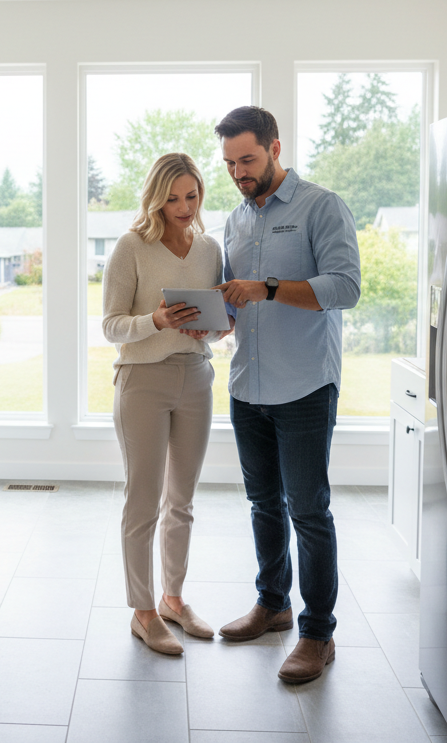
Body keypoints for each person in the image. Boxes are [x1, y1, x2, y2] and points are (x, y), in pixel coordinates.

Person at [212, 105, 361, 683]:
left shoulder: (321, 207)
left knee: (308, 512)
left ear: (275, 148)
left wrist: (269, 287)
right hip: (246, 386)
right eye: (230, 164)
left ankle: (317, 633)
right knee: (263, 505)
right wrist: (213, 317)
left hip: (304, 388)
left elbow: (344, 288)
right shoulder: (234, 220)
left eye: (247, 160)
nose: (239, 173)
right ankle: (272, 603)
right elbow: (238, 302)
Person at [102, 152, 228, 655]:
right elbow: (111, 326)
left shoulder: (210, 249)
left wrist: (210, 329)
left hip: (195, 377)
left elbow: (219, 322)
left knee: (182, 500)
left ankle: (173, 599)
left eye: (191, 196)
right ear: (156, 198)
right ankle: (143, 611)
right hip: (142, 381)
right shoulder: (131, 246)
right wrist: (155, 321)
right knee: (143, 501)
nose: (183, 206)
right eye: (172, 198)